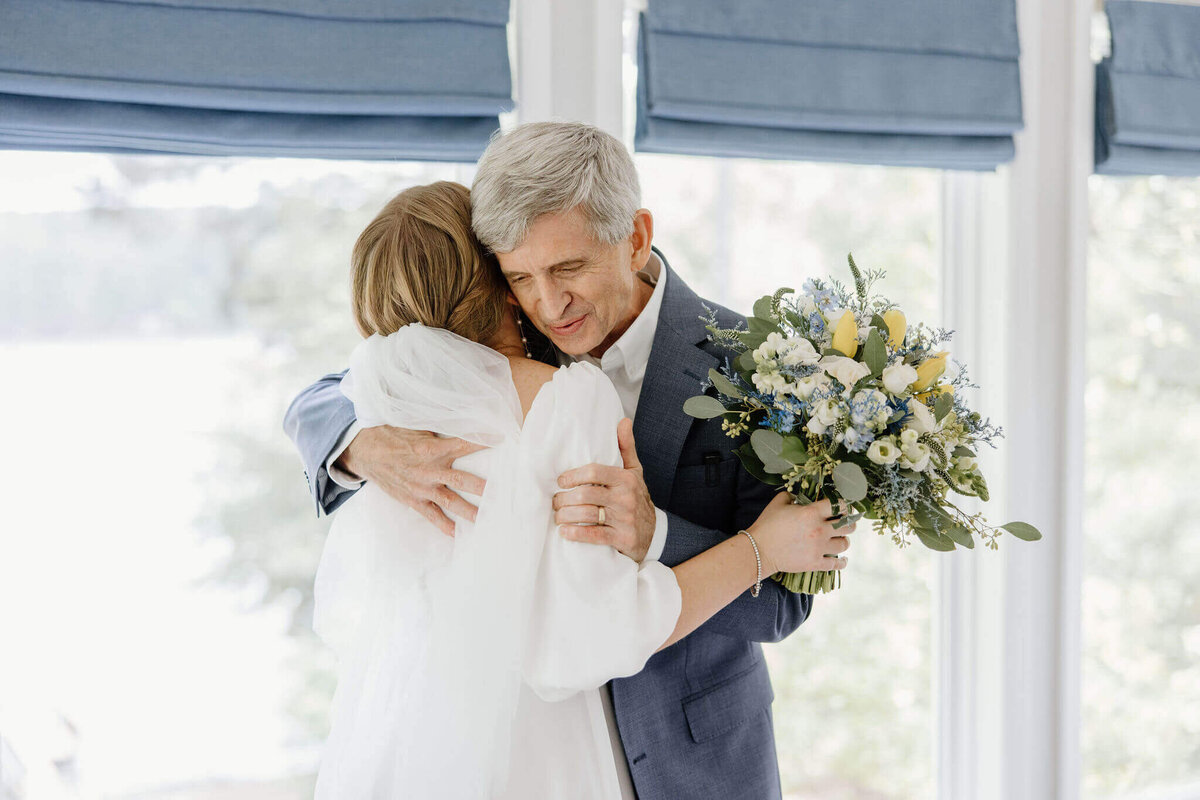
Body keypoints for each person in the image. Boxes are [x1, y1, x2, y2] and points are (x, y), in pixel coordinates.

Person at [285, 124, 853, 799]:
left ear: (636, 237)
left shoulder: (760, 368)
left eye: (568, 269)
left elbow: (786, 603)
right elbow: (320, 397)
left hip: (695, 760)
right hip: (526, 749)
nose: (549, 305)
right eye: (520, 277)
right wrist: (364, 446)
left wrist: (656, 536)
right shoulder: (498, 341)